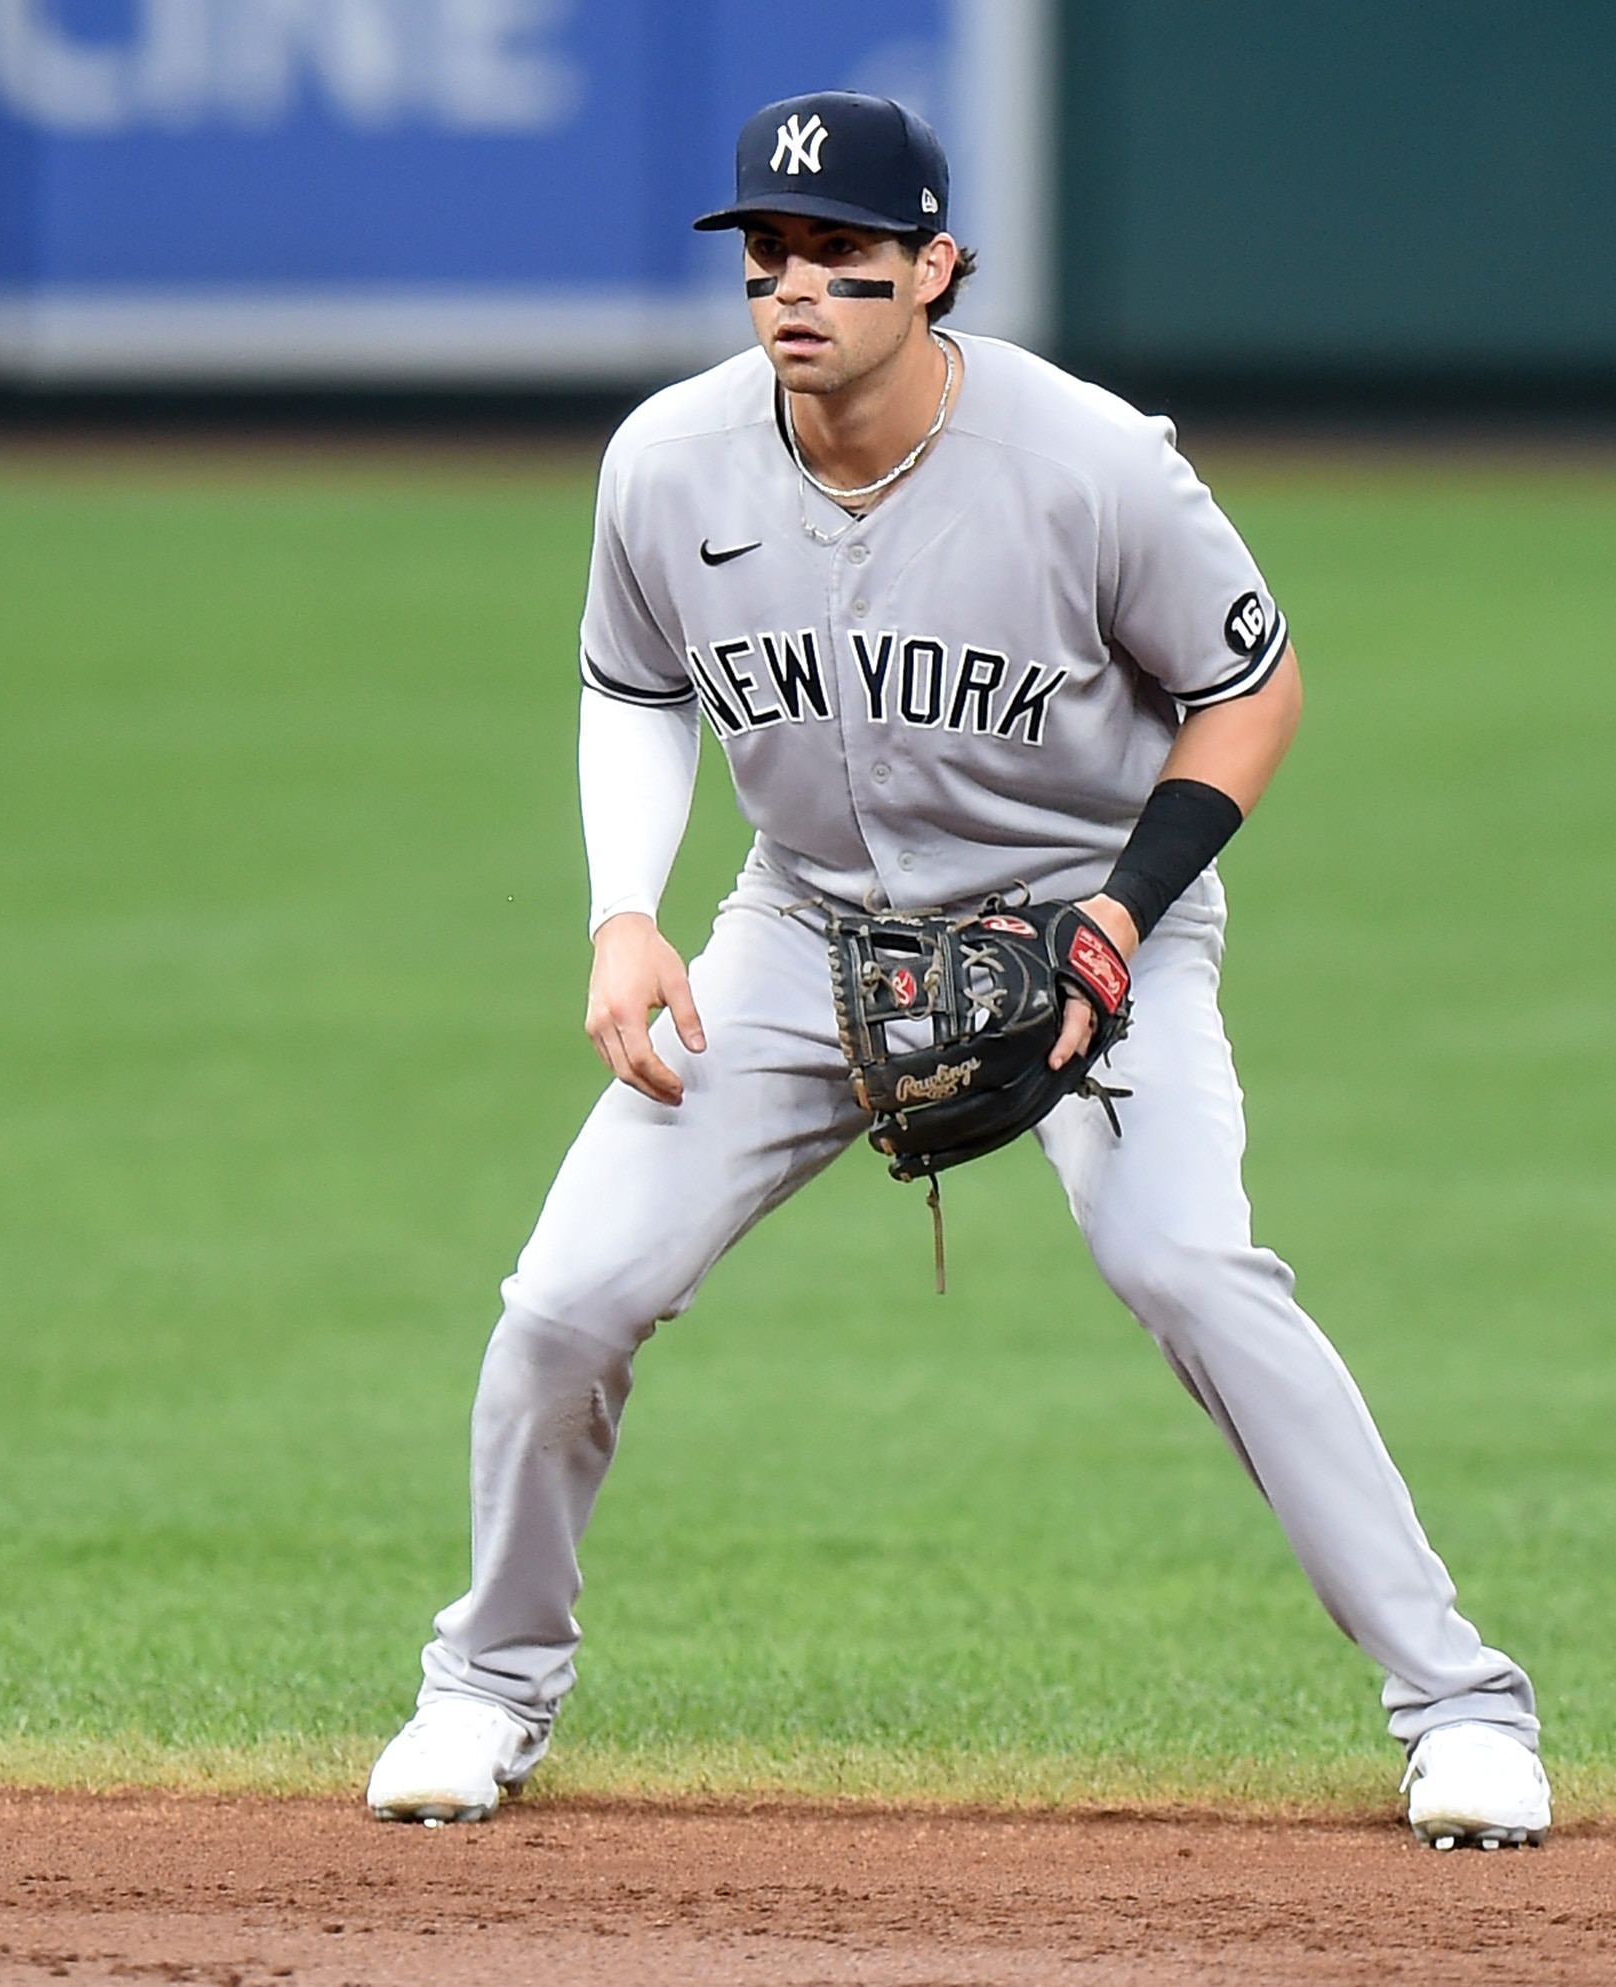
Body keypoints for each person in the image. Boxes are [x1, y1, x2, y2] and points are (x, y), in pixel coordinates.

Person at [364, 91, 1550, 1849]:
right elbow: (636, 689)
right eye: (772, 256)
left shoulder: (1090, 463)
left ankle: (1461, 1707)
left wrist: (1121, 920)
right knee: (566, 1303)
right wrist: (628, 911)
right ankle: (487, 1681)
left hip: (1078, 912)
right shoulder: (667, 465)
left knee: (1192, 1265)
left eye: (843, 256)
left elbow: (1252, 691)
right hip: (801, 926)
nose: (798, 289)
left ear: (937, 268)